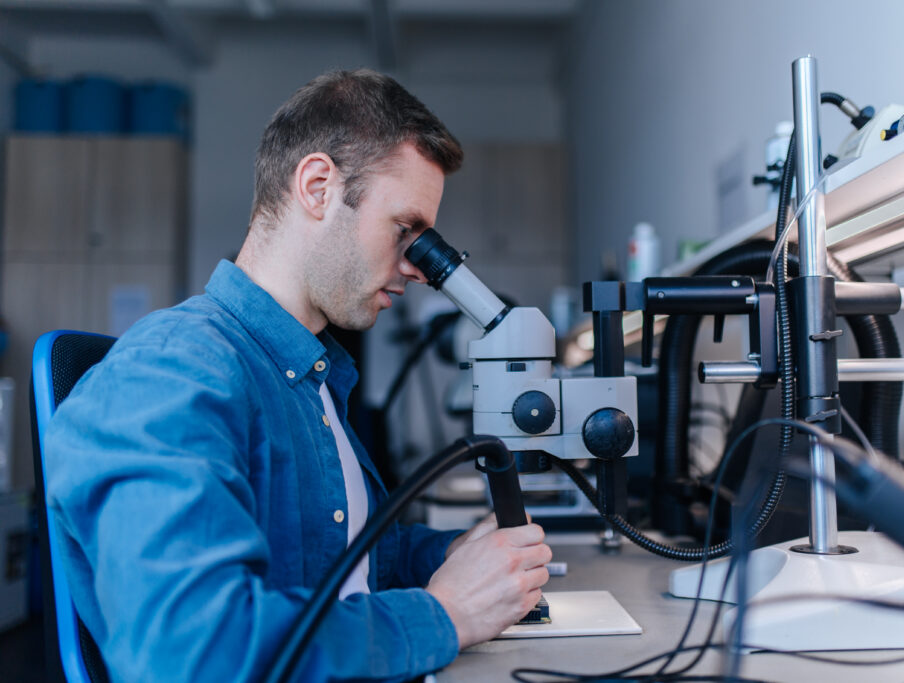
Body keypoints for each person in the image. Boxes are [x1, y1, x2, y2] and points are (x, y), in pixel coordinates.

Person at [44, 68, 552, 682]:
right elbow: (195, 654)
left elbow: (350, 564)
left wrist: (464, 560)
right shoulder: (174, 371)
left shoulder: (310, 377)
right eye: (405, 231)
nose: (419, 267)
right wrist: (443, 613)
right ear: (317, 187)